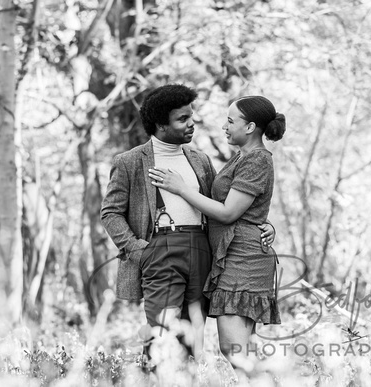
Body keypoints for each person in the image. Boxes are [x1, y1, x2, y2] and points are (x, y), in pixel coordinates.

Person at [100, 85, 275, 360]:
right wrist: (140, 251)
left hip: (203, 251)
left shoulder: (200, 160)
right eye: (183, 119)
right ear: (160, 125)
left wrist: (264, 225)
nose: (192, 123)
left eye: (191, 116)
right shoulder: (130, 161)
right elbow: (110, 212)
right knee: (162, 334)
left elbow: (228, 204)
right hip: (159, 249)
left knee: (192, 339)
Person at [149, 95, 284, 370]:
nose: (224, 126)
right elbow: (247, 206)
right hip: (231, 254)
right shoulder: (241, 158)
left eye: (231, 120)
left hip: (244, 258)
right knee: (241, 347)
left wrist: (181, 188)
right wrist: (266, 222)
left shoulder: (256, 160)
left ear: (249, 127)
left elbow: (227, 212)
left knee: (234, 349)